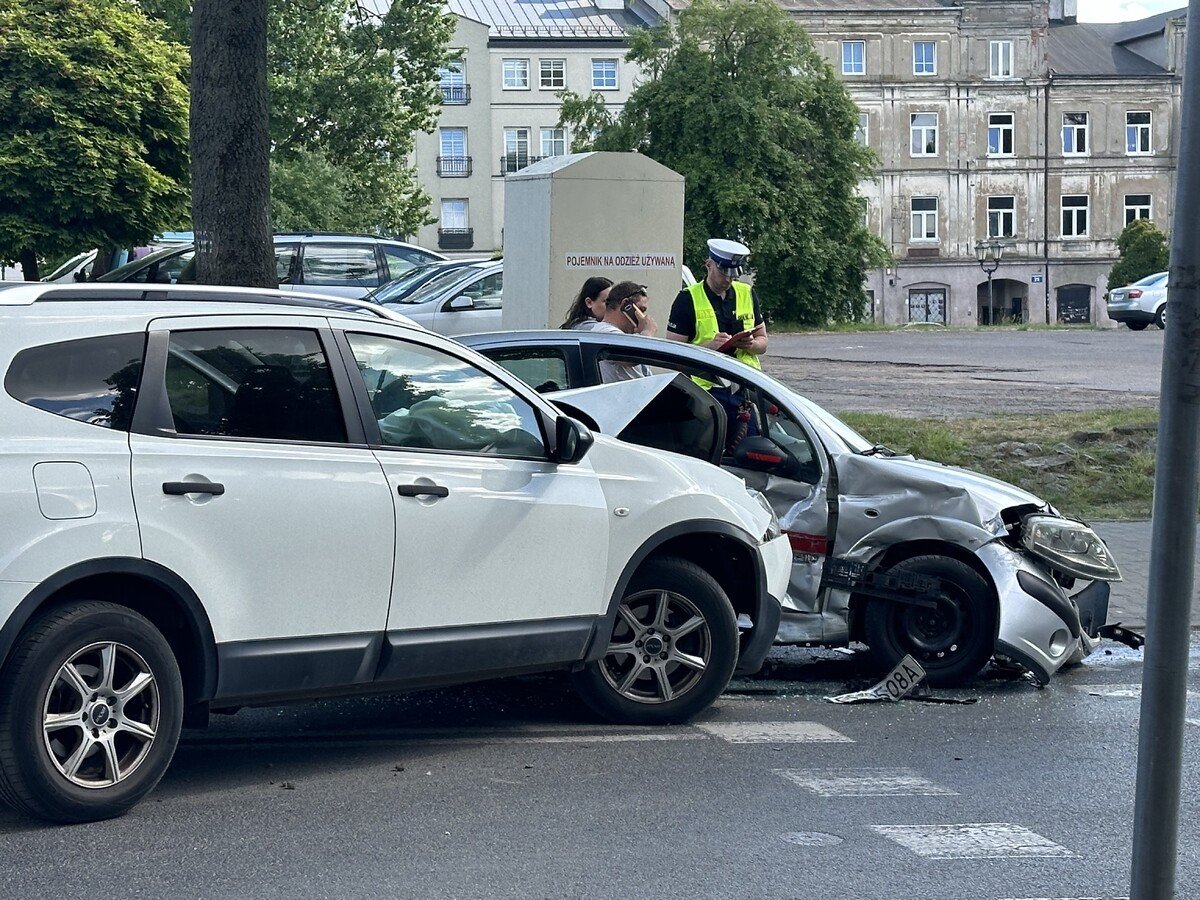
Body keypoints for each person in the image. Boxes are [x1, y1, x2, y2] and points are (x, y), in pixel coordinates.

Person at [666, 238, 767, 452]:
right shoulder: (687, 299)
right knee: (710, 450)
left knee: (749, 451)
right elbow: (673, 353)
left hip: (745, 387)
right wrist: (709, 346)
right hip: (708, 391)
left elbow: (763, 342)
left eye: (733, 274)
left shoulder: (746, 293)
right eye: (724, 273)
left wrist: (751, 344)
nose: (728, 279)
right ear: (709, 265)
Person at [573, 281, 657, 381]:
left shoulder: (618, 335)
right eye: (641, 310)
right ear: (626, 305)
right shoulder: (605, 332)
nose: (643, 317)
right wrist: (648, 331)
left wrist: (639, 335)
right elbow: (634, 357)